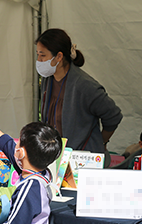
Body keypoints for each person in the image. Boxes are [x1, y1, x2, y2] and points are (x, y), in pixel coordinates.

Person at [36, 28, 122, 160]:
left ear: (59, 56)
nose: (39, 60)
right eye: (37, 54)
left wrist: (102, 142)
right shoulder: (48, 80)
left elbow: (113, 116)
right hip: (57, 157)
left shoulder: (85, 86)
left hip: (82, 160)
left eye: (42, 55)